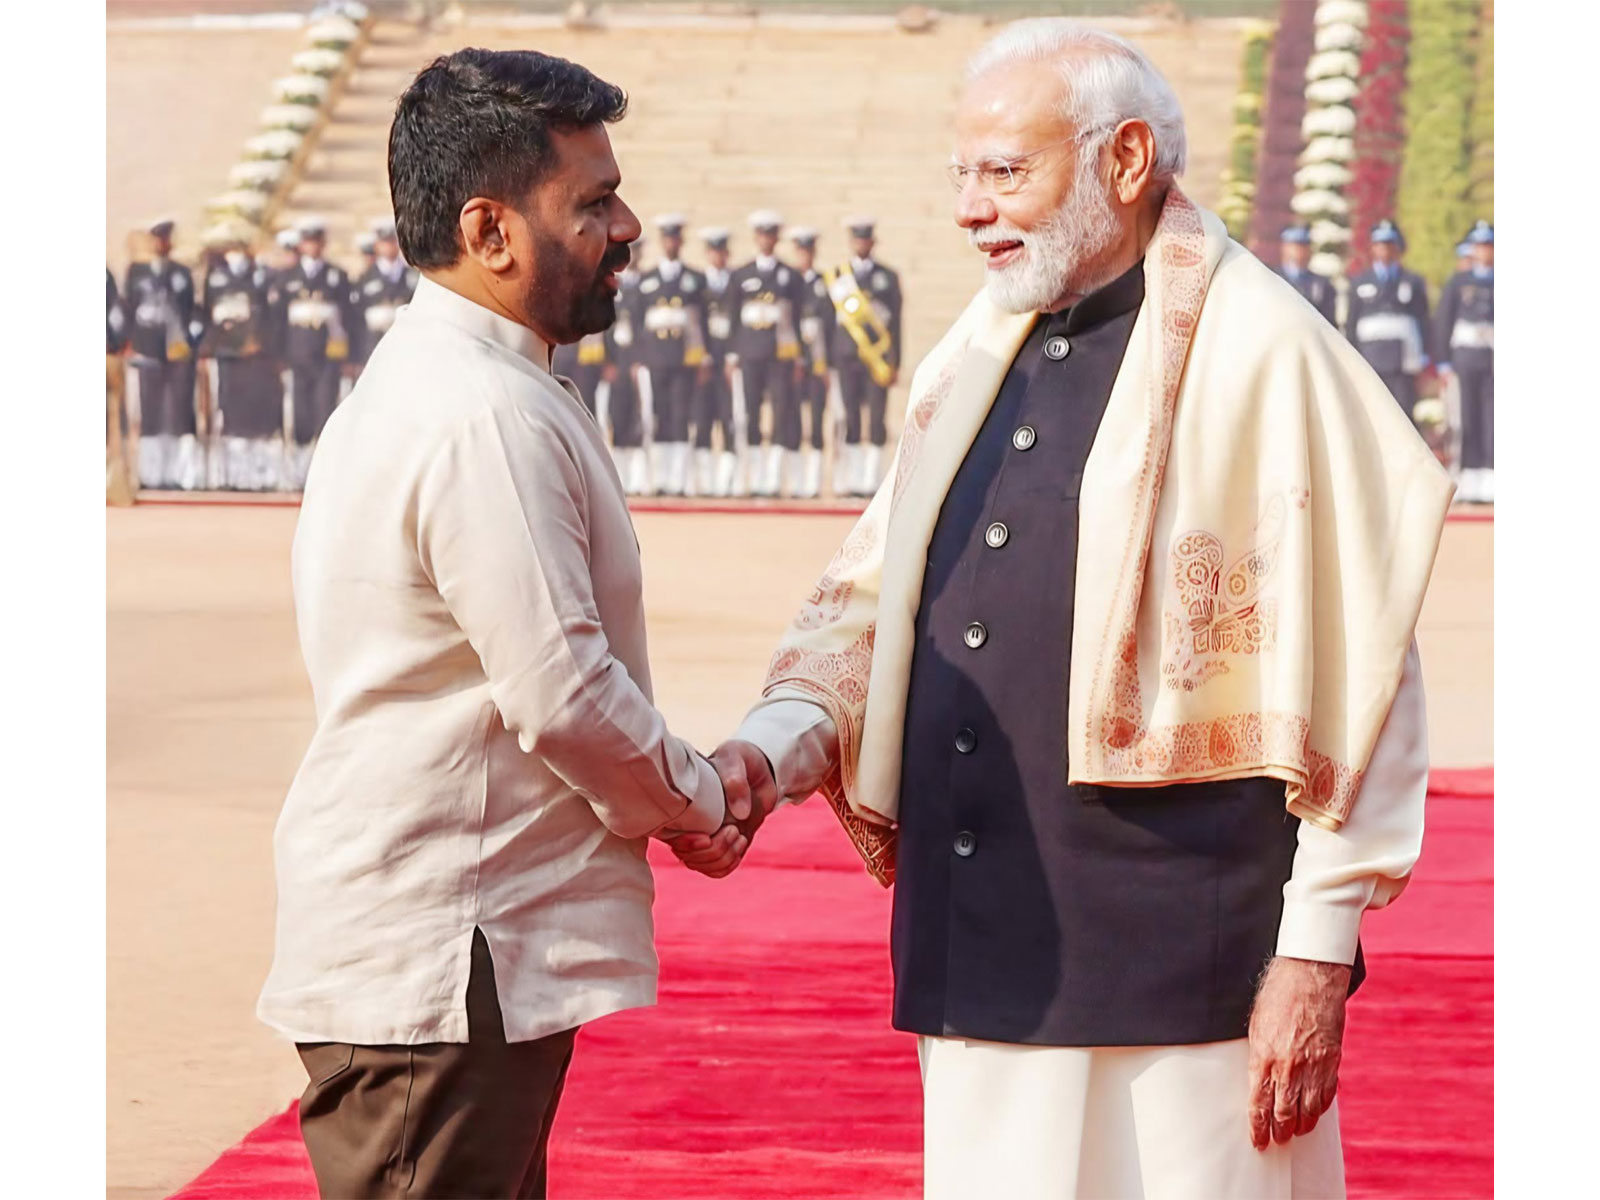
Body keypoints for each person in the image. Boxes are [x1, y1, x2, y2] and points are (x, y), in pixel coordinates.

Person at [670, 20, 1451, 1198]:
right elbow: (875, 598)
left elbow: (1366, 672)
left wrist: (1315, 953)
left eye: (1005, 173)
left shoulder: (1265, 351)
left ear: (1126, 162)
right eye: (961, 176)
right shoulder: (970, 354)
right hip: (977, 942)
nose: (970, 210)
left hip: (1189, 966)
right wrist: (771, 752)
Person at [257, 48, 771, 1200]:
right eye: (590, 203)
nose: (628, 225)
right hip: (441, 964)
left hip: (456, 952)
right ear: (490, 232)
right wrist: (694, 804)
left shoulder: (476, 379)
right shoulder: (478, 411)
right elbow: (564, 692)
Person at [196, 224, 285, 490]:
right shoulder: (215, 277)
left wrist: (264, 344)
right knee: (232, 415)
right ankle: (234, 476)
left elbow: (274, 316)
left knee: (261, 416)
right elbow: (209, 316)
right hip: (229, 356)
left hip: (259, 358)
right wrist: (211, 348)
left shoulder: (263, 275)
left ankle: (263, 476)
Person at [628, 213, 708, 496]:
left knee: (680, 415)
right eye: (667, 238)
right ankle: (659, 478)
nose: (671, 243)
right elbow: (636, 323)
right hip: (655, 358)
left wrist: (702, 358)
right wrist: (638, 358)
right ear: (662, 242)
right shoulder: (647, 280)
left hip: (683, 358)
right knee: (657, 416)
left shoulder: (695, 279)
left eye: (675, 238)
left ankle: (678, 480)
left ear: (681, 241)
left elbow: (702, 323)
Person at [274, 216, 357, 488]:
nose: (312, 246)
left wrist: (350, 357)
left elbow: (349, 317)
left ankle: (324, 472)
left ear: (322, 243)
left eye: (316, 240)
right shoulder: (287, 277)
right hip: (297, 354)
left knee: (325, 410)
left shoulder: (336, 276)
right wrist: (279, 355)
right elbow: (278, 320)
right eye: (307, 241)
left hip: (328, 356)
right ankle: (298, 470)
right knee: (300, 412)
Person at [825, 216, 902, 497]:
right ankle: (852, 479)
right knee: (851, 417)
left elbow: (896, 324)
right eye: (857, 239)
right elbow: (827, 323)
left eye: (865, 238)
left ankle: (872, 479)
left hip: (878, 359)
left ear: (872, 241)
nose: (862, 243)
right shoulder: (838, 277)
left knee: (877, 418)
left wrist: (895, 361)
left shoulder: (887, 277)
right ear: (852, 242)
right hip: (846, 357)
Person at [123, 218, 203, 490]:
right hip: (148, 351)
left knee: (180, 412)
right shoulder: (137, 272)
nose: (161, 243)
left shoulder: (181, 272)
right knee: (151, 413)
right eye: (157, 238)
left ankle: (182, 474)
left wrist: (190, 343)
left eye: (165, 238)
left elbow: (192, 311)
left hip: (178, 353)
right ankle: (152, 473)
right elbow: (129, 310)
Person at [730, 210, 804, 496]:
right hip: (750, 352)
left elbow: (796, 319)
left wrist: (798, 357)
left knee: (780, 411)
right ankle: (751, 476)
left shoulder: (790, 276)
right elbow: (733, 319)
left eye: (770, 234)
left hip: (780, 354)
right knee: (749, 412)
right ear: (756, 237)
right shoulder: (742, 274)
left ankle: (772, 478)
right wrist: (731, 355)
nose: (766, 240)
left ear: (776, 238)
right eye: (761, 234)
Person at [1344, 219, 1432, 421]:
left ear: (1398, 248)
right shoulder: (1360, 282)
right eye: (1379, 245)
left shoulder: (1412, 281)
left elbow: (1423, 319)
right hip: (1371, 359)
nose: (1385, 250)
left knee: (1404, 413)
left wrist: (1425, 355)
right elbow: (1352, 322)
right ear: (1372, 248)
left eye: (1390, 245)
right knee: (1371, 414)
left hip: (1403, 360)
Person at [1436, 220, 1494, 504]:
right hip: (1466, 357)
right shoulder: (1459, 282)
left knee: (1493, 418)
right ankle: (1469, 478)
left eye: (1489, 245)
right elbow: (1444, 322)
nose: (1485, 251)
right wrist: (1443, 363)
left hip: (1493, 357)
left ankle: (1491, 476)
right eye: (1480, 246)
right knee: (1466, 417)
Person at [694, 225, 741, 495]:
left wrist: (733, 357)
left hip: (728, 360)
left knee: (729, 418)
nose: (718, 257)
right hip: (703, 360)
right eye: (713, 252)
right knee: (702, 417)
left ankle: (726, 483)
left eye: (722, 252)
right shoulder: (698, 283)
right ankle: (704, 481)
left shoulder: (736, 281)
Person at [789, 226, 834, 498]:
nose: (805, 256)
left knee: (817, 419)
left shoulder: (824, 282)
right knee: (792, 419)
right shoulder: (788, 280)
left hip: (818, 361)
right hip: (793, 361)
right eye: (801, 251)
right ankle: (796, 481)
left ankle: (813, 481)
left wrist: (827, 363)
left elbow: (829, 325)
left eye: (809, 251)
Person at [608, 236, 650, 493]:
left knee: (640, 416)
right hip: (615, 361)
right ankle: (620, 476)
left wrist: (640, 360)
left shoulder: (648, 285)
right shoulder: (612, 283)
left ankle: (640, 477)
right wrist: (607, 361)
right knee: (617, 414)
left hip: (638, 361)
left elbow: (648, 328)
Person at [350, 216, 421, 368]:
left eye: (392, 241)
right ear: (376, 245)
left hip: (406, 345)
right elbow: (356, 319)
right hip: (373, 344)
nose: (389, 246)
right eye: (384, 242)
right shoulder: (365, 278)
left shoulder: (413, 276)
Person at [1275, 223, 1336, 325]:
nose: (1300, 251)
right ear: (1284, 247)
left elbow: (1330, 324)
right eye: (1295, 246)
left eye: (1304, 246)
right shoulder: (1273, 278)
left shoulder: (1322, 284)